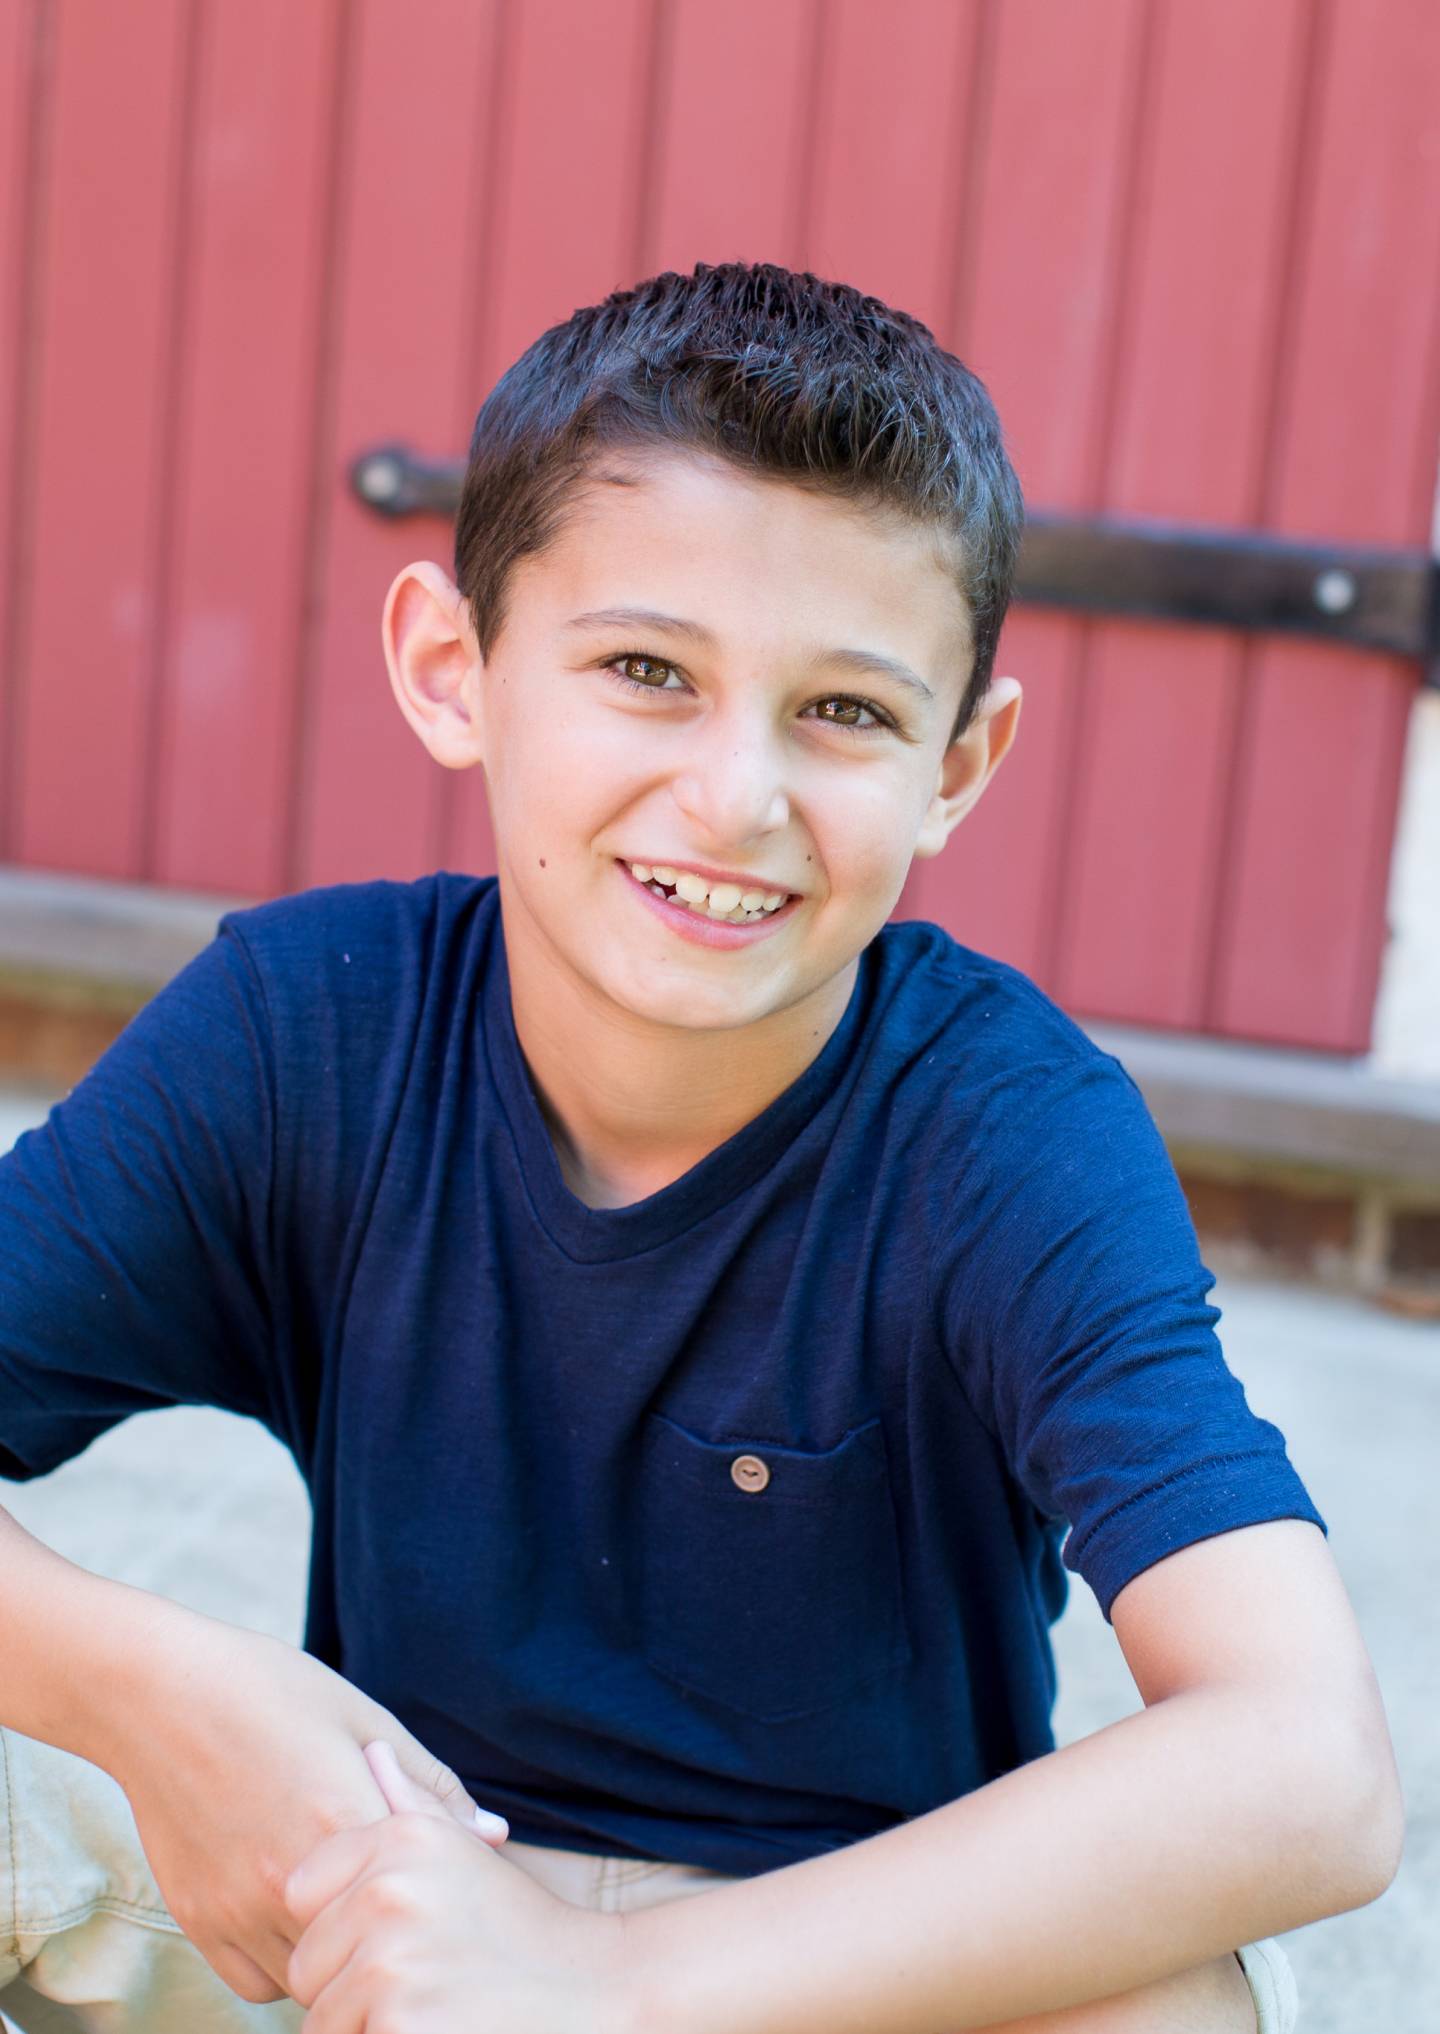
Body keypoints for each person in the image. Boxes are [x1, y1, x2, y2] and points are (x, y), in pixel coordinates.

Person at [0, 262, 1402, 2034]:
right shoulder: (308, 1025)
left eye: (847, 712)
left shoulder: (1006, 1128)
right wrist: (150, 1690)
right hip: (380, 1925)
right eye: (648, 670)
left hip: (816, 1970)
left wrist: (607, 1983)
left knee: (1179, 2003)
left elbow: (1312, 1765)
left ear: (960, 766)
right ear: (456, 670)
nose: (737, 795)